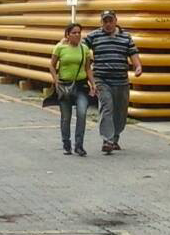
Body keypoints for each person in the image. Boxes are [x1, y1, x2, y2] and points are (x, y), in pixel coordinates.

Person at [84, 10, 142, 154]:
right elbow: (81, 47)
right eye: (105, 21)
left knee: (120, 112)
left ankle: (115, 138)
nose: (108, 24)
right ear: (101, 22)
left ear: (116, 20)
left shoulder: (126, 37)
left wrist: (138, 66)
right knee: (107, 107)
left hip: (121, 81)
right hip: (102, 79)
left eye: (110, 21)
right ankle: (107, 140)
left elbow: (133, 53)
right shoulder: (94, 36)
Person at [50, 23, 95, 157]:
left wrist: (93, 84)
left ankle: (79, 145)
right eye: (74, 33)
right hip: (64, 85)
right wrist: (55, 79)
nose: (77, 35)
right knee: (66, 117)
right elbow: (52, 65)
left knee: (82, 113)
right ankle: (66, 143)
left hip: (81, 85)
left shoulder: (85, 49)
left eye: (79, 32)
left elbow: (88, 68)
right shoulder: (60, 48)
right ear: (68, 35)